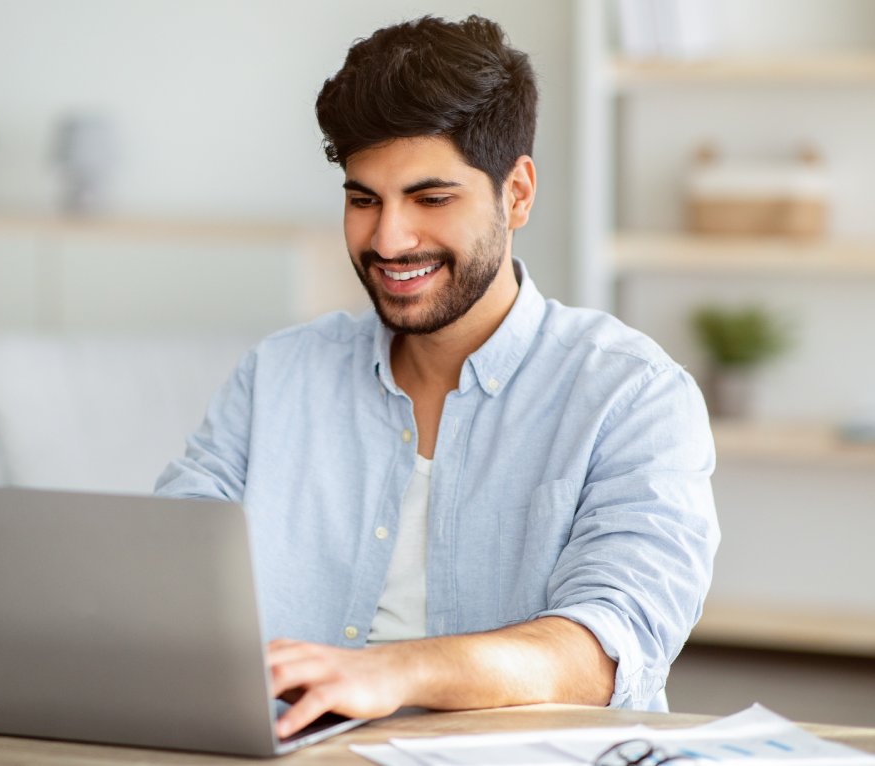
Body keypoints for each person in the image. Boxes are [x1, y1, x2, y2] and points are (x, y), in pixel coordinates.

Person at [156, 14, 719, 738]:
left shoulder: (633, 395)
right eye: (364, 200)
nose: (388, 239)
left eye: (430, 199)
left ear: (516, 193)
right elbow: (168, 575)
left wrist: (391, 672)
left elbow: (607, 648)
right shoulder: (279, 377)